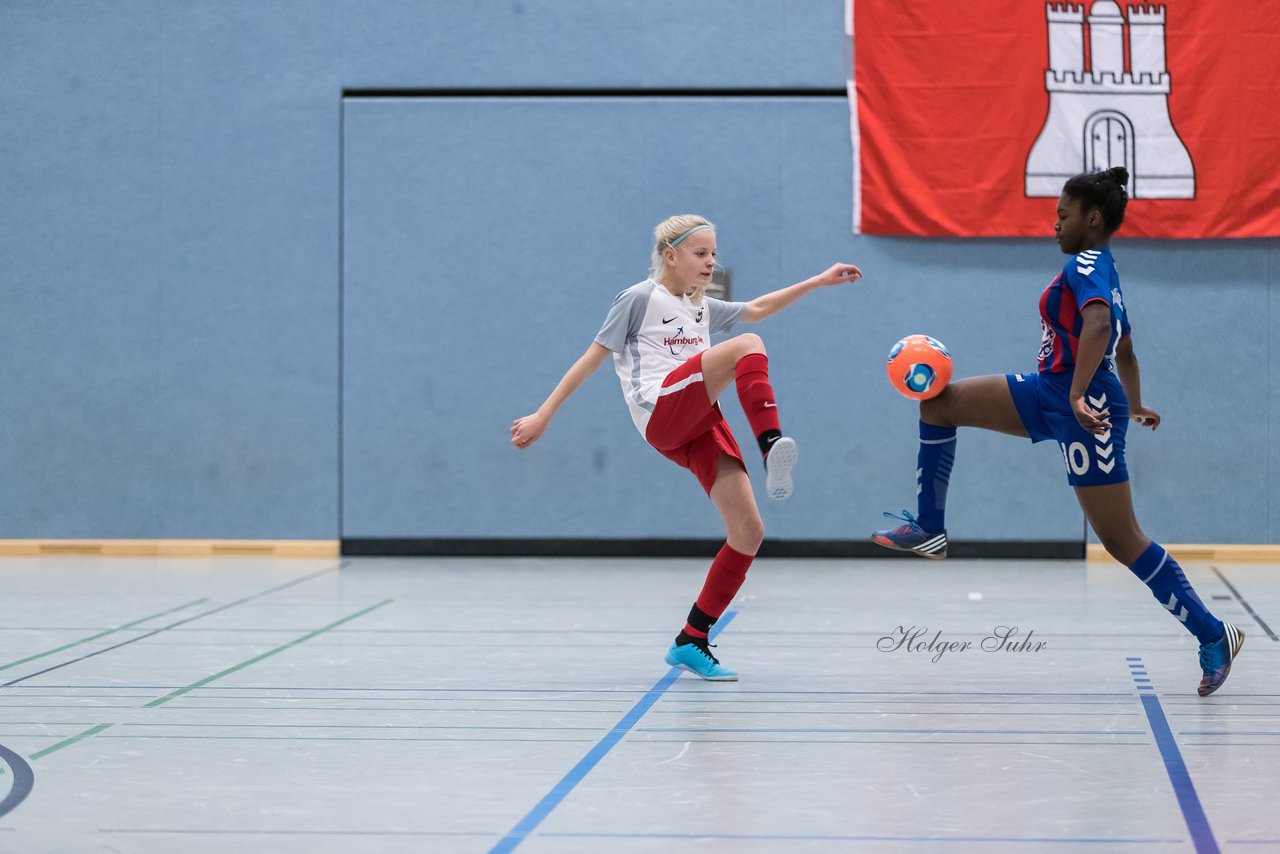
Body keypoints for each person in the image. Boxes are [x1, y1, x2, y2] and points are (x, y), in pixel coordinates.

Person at [871, 167, 1244, 697]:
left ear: (1093, 219)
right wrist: (1132, 402)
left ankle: (1213, 634)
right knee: (940, 403)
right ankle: (930, 526)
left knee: (1120, 538)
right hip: (1054, 391)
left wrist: (1082, 395)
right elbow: (1125, 347)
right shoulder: (1104, 270)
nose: (1055, 225)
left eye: (1063, 215)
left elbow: (1099, 329)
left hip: (1077, 400)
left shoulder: (1089, 262)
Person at [512, 214, 862, 680]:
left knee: (748, 531)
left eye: (714, 254)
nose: (711, 263)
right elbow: (591, 358)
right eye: (701, 254)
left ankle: (691, 639)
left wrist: (818, 281)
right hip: (659, 409)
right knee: (748, 344)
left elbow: (757, 307)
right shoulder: (638, 299)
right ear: (671, 255)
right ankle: (771, 443)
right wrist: (544, 413)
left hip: (697, 421)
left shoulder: (700, 306)